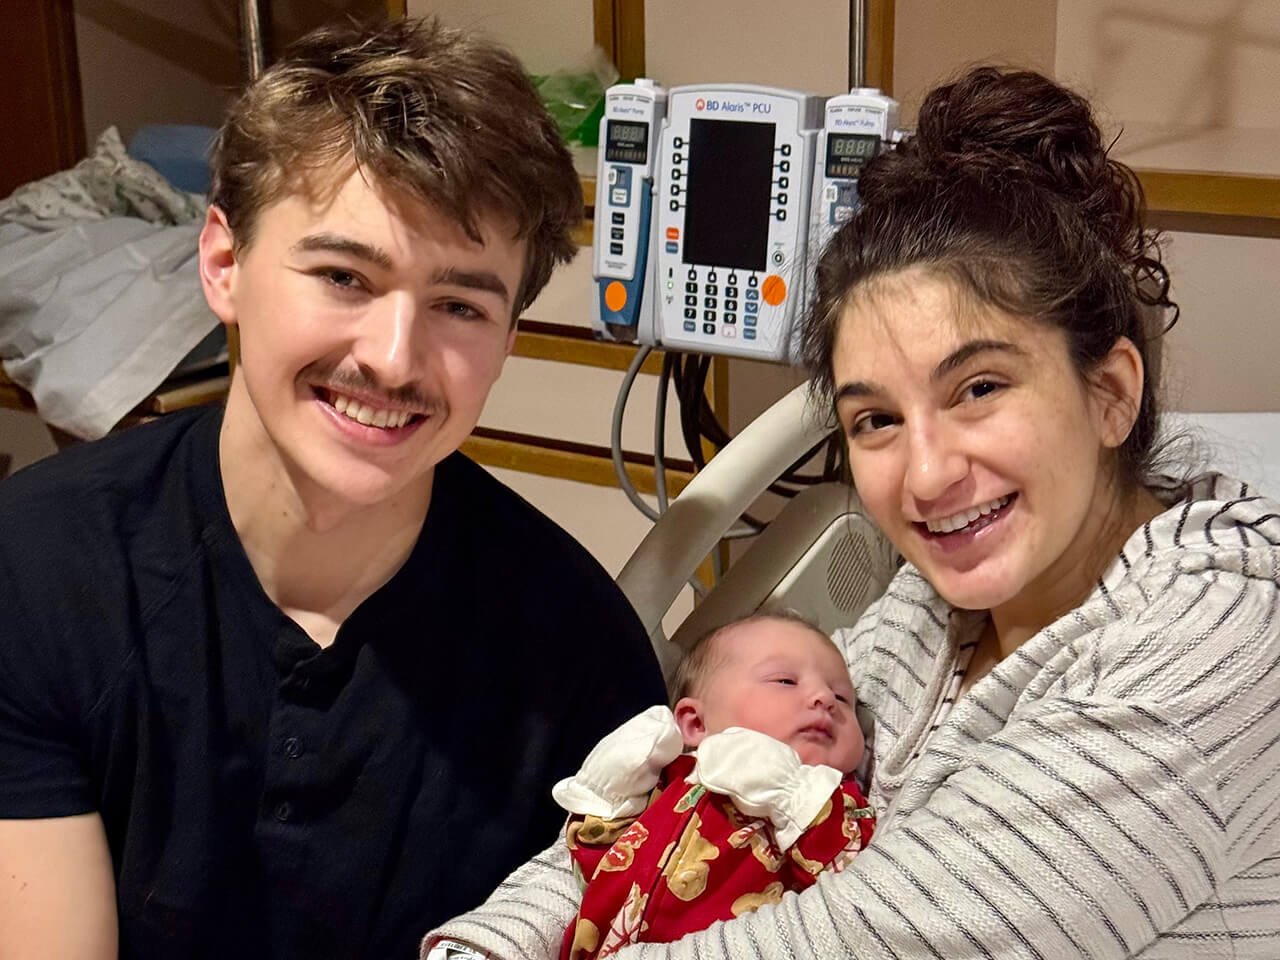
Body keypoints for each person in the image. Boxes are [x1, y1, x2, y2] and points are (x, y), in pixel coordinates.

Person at [424, 66, 1280, 959]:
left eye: (979, 388)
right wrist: (491, 943)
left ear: (1110, 394)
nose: (927, 472)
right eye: (876, 419)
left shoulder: (1206, 657)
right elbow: (659, 803)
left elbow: (853, 939)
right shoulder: (935, 612)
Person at [0, 18, 664, 960]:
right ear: (224, 263)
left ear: (508, 336)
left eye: (460, 306)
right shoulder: (39, 573)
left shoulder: (575, 653)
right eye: (345, 276)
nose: (393, 360)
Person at [549, 614, 875, 960]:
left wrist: (797, 796)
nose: (823, 697)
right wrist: (606, 804)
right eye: (785, 681)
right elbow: (595, 875)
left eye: (843, 699)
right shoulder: (671, 782)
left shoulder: (834, 803)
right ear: (695, 723)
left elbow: (853, 889)